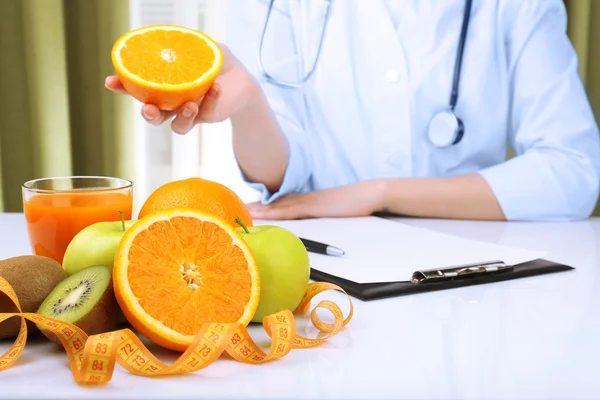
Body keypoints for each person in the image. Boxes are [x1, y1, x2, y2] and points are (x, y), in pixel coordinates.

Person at [106, 0, 600, 222]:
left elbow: (572, 173)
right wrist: (249, 104)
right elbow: (284, 175)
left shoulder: (520, 6)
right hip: (328, 261)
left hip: (473, 265)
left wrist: (378, 194)